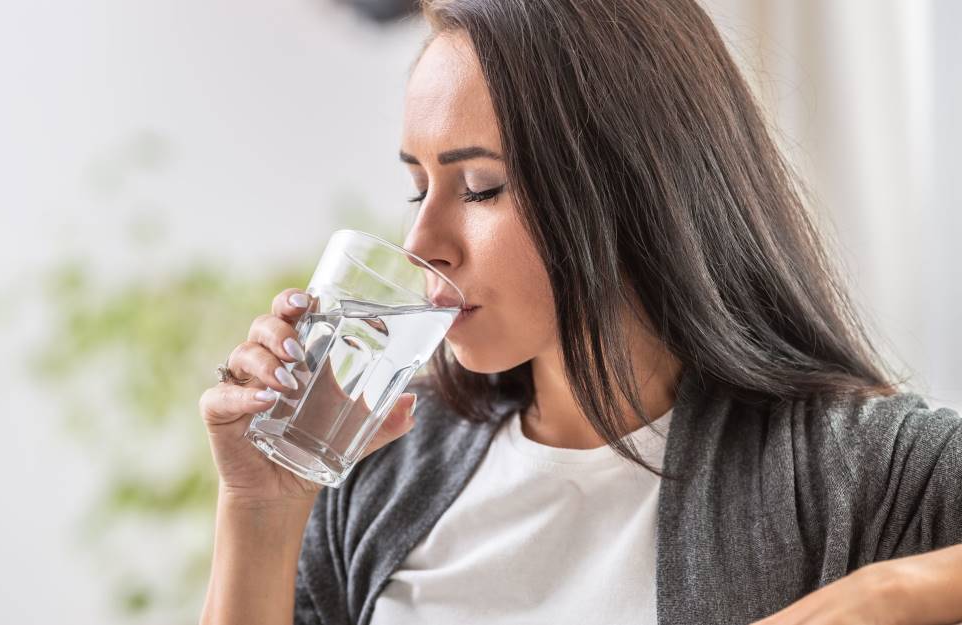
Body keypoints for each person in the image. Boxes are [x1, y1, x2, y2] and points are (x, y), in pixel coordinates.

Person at [198, 1, 962, 624]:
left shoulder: (849, 469)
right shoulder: (383, 474)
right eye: (416, 186)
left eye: (481, 188)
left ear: (627, 184)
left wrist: (886, 596)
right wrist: (258, 511)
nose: (421, 241)